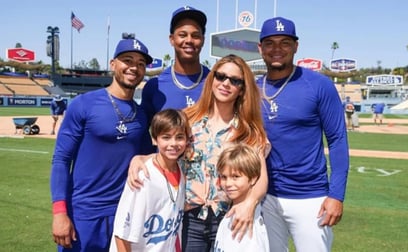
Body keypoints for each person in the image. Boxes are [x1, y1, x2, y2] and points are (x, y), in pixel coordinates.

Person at [128, 54, 269, 251]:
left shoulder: (248, 131)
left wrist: (250, 204)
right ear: (212, 80)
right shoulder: (188, 119)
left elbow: (261, 178)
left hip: (229, 215)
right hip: (190, 218)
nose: (226, 83)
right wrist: (142, 158)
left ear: (242, 89)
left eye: (235, 80)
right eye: (220, 76)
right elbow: (169, 152)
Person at [50, 34, 153, 252]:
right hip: (84, 214)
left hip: (124, 213)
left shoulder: (141, 115)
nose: (134, 67)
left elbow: (148, 158)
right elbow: (61, 159)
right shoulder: (83, 104)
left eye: (141, 63)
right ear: (113, 64)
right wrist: (60, 212)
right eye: (128, 60)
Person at [256, 17, 350, 252]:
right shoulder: (253, 88)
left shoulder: (318, 84)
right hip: (264, 196)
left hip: (310, 197)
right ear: (260, 48)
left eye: (285, 42)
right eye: (270, 43)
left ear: (296, 46)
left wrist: (336, 195)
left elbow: (337, 139)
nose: (277, 49)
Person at [110, 109, 190, 252]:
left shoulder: (181, 170)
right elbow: (122, 233)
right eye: (166, 137)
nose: (173, 143)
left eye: (179, 137)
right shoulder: (142, 176)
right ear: (154, 139)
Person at [140, 6, 209, 153]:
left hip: (206, 172)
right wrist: (142, 158)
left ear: (203, 40)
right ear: (172, 39)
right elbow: (142, 134)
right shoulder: (155, 86)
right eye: (182, 35)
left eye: (195, 35)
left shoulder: (216, 83)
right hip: (167, 173)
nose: (189, 40)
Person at [214, 143, 270, 252]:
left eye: (236, 177)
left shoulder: (246, 226)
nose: (228, 183)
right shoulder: (232, 214)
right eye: (224, 177)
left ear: (253, 179)